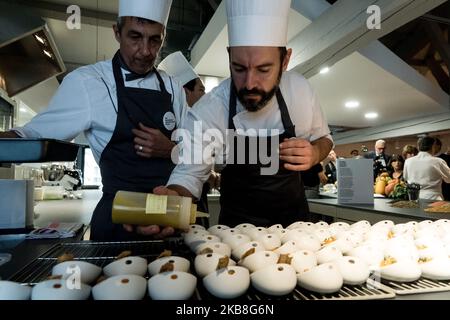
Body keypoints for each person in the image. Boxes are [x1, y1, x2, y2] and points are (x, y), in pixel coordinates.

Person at [0, 0, 186, 241]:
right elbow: (32, 135)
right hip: (118, 219)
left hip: (167, 218)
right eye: (135, 37)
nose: (145, 51)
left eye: (154, 40)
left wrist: (170, 150)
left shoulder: (174, 87)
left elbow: (196, 154)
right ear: (116, 32)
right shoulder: (88, 82)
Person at [155, 0, 333, 227]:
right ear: (229, 56)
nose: (249, 84)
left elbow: (325, 139)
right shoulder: (212, 108)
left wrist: (315, 153)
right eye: (239, 68)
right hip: (234, 235)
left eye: (263, 69)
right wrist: (172, 200)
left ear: (285, 60)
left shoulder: (300, 90)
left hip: (295, 232)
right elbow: (188, 175)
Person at [158, 51, 220, 216]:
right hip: (176, 196)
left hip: (198, 196)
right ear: (185, 92)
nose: (205, 96)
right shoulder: (169, 125)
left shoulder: (201, 124)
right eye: (201, 90)